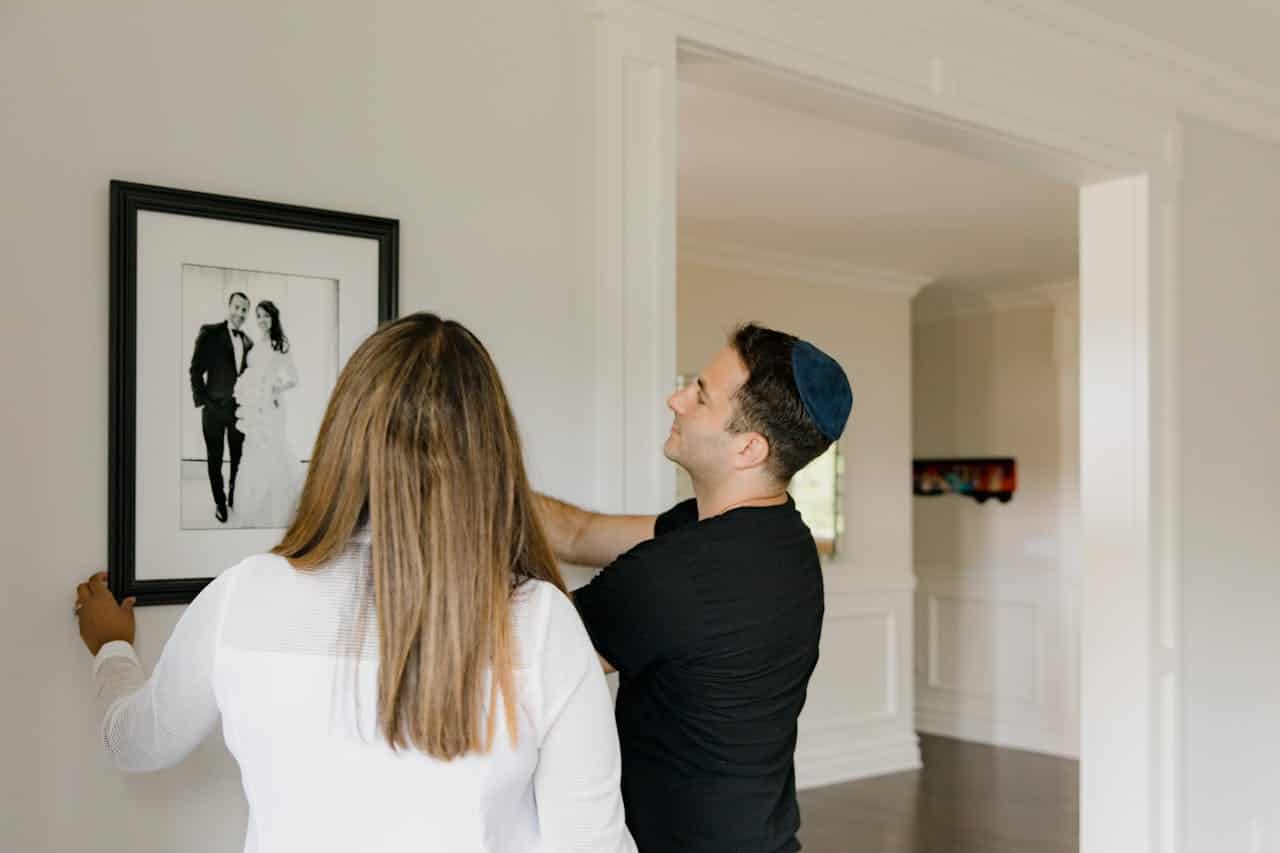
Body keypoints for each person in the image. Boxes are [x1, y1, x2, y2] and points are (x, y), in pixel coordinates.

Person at [76, 312, 636, 853]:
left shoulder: (243, 595)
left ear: (344, 436)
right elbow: (590, 844)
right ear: (490, 455)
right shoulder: (539, 620)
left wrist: (111, 649)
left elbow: (133, 742)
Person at [539, 323, 853, 853]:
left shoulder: (677, 574)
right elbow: (578, 533)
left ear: (749, 448)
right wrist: (490, 481)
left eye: (700, 394)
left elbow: (525, 653)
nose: (676, 398)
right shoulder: (778, 536)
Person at [232, 300, 301, 528]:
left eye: (266, 316)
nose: (262, 320)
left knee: (272, 449)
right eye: (258, 316)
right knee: (252, 450)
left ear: (274, 318)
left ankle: (277, 508)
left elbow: (293, 378)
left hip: (272, 407)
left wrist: (275, 388)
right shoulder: (257, 344)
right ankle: (253, 507)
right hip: (254, 407)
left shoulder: (279, 344)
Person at [189, 291, 254, 523]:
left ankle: (234, 497)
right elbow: (195, 369)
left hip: (238, 412)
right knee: (214, 459)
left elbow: (249, 378)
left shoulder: (248, 342)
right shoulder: (210, 332)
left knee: (238, 458)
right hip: (213, 410)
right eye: (237, 307)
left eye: (244, 309)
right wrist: (202, 401)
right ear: (229, 307)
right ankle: (219, 502)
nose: (240, 313)